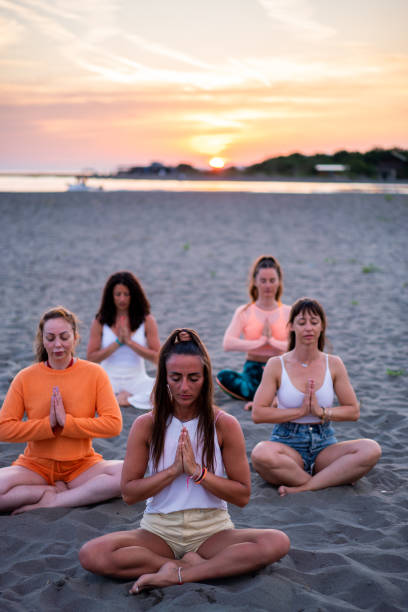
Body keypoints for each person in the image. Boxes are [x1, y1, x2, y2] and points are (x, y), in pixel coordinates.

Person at [79, 328, 290, 593]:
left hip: (212, 530)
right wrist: (173, 471)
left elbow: (242, 495)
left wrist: (198, 473)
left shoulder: (224, 424)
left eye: (193, 378)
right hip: (159, 530)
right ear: (164, 377)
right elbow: (130, 493)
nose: (184, 387)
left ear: (205, 378)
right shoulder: (146, 424)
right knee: (93, 554)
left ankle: (177, 574)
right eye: (176, 378)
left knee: (276, 542)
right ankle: (182, 566)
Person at [251, 298, 381, 496]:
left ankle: (305, 486)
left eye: (314, 322)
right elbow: (258, 413)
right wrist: (299, 412)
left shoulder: (334, 363)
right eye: (302, 322)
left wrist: (321, 412)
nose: (308, 328)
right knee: (261, 453)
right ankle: (328, 479)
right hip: (287, 445)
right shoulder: (276, 364)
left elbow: (353, 411)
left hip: (324, 444)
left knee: (371, 449)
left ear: (322, 327)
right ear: (292, 327)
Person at [0, 306, 123, 513]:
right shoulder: (25, 377)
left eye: (64, 337)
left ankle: (57, 500)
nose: (58, 344)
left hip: (81, 466)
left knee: (127, 474)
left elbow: (114, 424)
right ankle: (44, 493)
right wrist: (47, 425)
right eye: (50, 338)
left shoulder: (94, 373)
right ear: (42, 340)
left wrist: (68, 423)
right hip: (35, 467)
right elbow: (4, 428)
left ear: (75, 338)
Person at [216, 255, 290, 410]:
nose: (268, 285)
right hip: (253, 371)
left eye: (272, 280)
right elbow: (227, 343)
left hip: (281, 370)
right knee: (224, 376)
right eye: (263, 281)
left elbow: (297, 346)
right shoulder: (245, 311)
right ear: (255, 282)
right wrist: (259, 342)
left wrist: (273, 342)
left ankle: (269, 397)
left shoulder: (288, 312)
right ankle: (268, 397)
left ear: (279, 281)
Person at [87, 271, 160, 409]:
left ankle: (125, 399)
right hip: (107, 380)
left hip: (137, 381)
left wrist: (130, 343)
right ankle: (124, 399)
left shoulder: (147, 320)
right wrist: (117, 343)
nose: (122, 299)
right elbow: (91, 358)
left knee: (167, 390)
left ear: (134, 295)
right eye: (118, 294)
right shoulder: (100, 321)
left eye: (126, 294)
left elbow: (157, 357)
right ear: (111, 296)